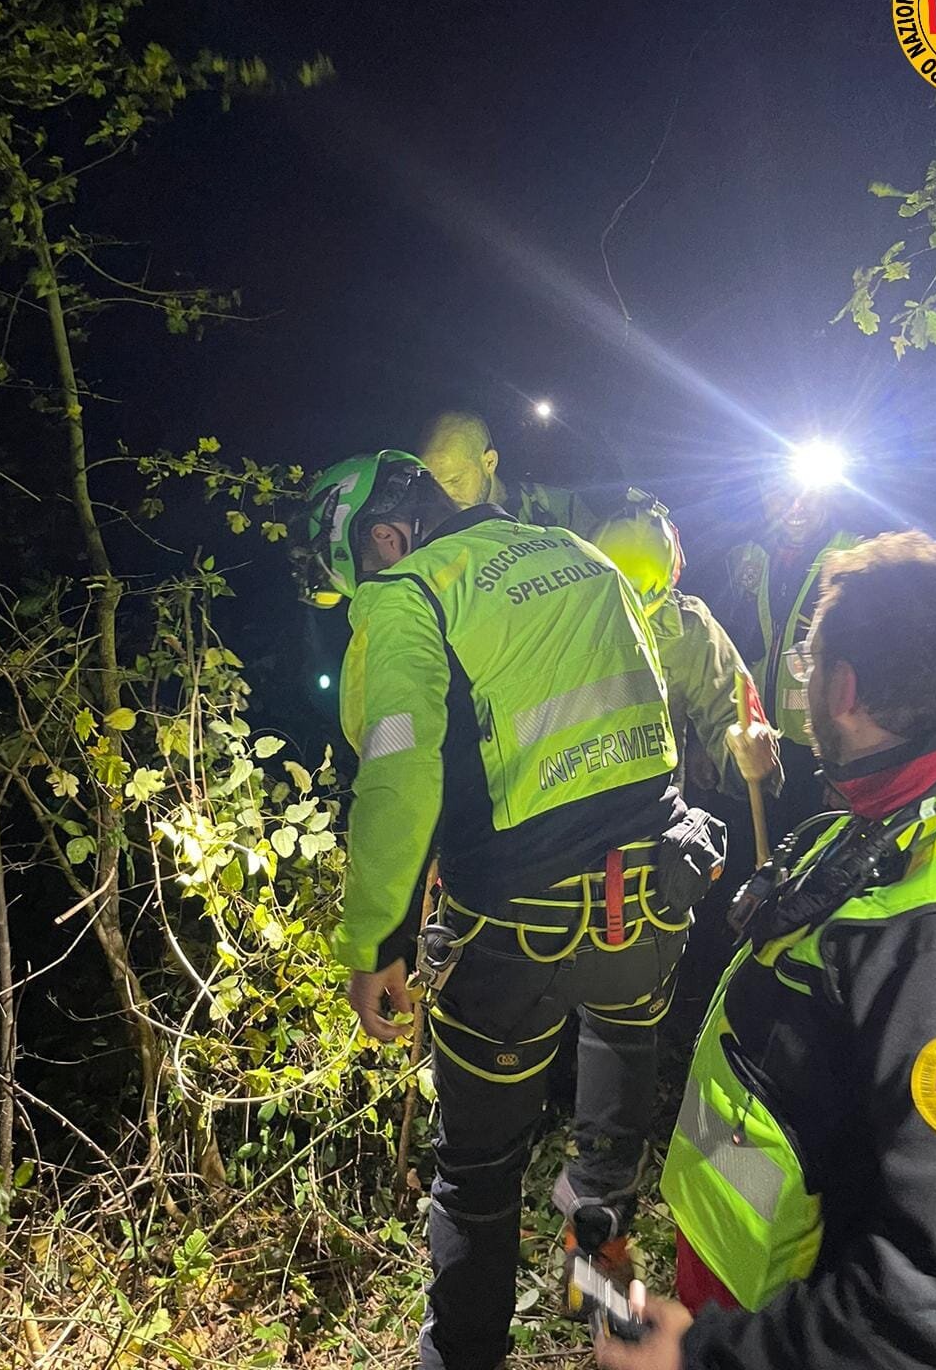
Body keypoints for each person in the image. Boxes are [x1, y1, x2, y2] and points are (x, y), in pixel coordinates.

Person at [596, 531, 936, 1370]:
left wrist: (707, 1357)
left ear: (842, 687)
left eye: (808, 668)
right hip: (758, 1291)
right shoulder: (916, 808)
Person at [297, 450, 725, 1370]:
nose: (360, 591)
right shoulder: (576, 552)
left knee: (478, 1180)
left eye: (353, 573)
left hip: (516, 934)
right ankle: (608, 1311)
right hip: (648, 904)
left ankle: (464, 1359)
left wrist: (378, 938)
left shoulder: (409, 590)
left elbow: (402, 774)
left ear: (383, 536)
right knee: (609, 1154)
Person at [592, 490, 783, 801]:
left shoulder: (686, 628)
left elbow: (731, 711)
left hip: (649, 821)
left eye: (644, 600)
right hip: (562, 824)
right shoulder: (555, 613)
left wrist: (746, 757)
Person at [723, 457, 860, 839]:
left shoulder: (852, 558)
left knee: (810, 862)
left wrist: (847, 764)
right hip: (755, 740)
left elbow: (871, 667)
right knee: (754, 858)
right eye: (780, 493)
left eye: (809, 495)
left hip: (820, 750)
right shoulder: (745, 556)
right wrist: (709, 742)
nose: (795, 507)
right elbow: (726, 647)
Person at [419, 407, 598, 536]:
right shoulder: (426, 527)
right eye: (434, 486)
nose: (445, 497)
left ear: (489, 462)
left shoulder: (557, 508)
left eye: (455, 481)